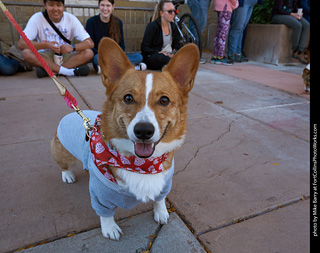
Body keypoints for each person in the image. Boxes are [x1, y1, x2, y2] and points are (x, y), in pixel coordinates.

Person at [18, 0, 94, 78]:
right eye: (51, 5)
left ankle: (51, 70)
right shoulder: (37, 18)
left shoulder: (71, 18)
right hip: (45, 56)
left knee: (88, 53)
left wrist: (72, 47)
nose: (55, 9)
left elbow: (90, 43)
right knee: (26, 53)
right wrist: (46, 45)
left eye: (58, 5)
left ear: (63, 6)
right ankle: (68, 71)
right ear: (45, 5)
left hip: (66, 56)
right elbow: (21, 43)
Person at [85, 0, 146, 74]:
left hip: (115, 56)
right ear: (99, 5)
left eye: (108, 5)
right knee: (96, 58)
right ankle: (130, 68)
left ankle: (107, 69)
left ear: (113, 7)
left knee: (139, 57)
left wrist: (117, 55)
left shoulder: (118, 22)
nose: (105, 8)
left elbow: (121, 45)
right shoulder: (91, 22)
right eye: (102, 5)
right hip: (100, 56)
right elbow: (90, 46)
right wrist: (105, 55)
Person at [141, 0, 181, 70]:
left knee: (185, 55)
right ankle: (170, 65)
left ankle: (169, 65)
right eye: (170, 11)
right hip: (154, 56)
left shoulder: (173, 27)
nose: (173, 14)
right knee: (161, 57)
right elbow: (144, 47)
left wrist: (174, 52)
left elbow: (177, 44)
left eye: (174, 11)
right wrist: (159, 52)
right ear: (162, 13)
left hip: (169, 55)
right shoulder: (152, 26)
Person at [271, 0, 309, 64]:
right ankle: (294, 50)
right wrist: (291, 14)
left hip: (291, 15)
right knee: (298, 25)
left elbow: (295, 8)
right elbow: (278, 9)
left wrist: (299, 13)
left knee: (307, 25)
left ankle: (300, 51)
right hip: (278, 16)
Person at [210, 0, 239, 65]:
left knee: (219, 32)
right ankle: (220, 56)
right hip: (226, 6)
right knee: (223, 33)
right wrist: (235, 4)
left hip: (220, 5)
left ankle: (215, 56)